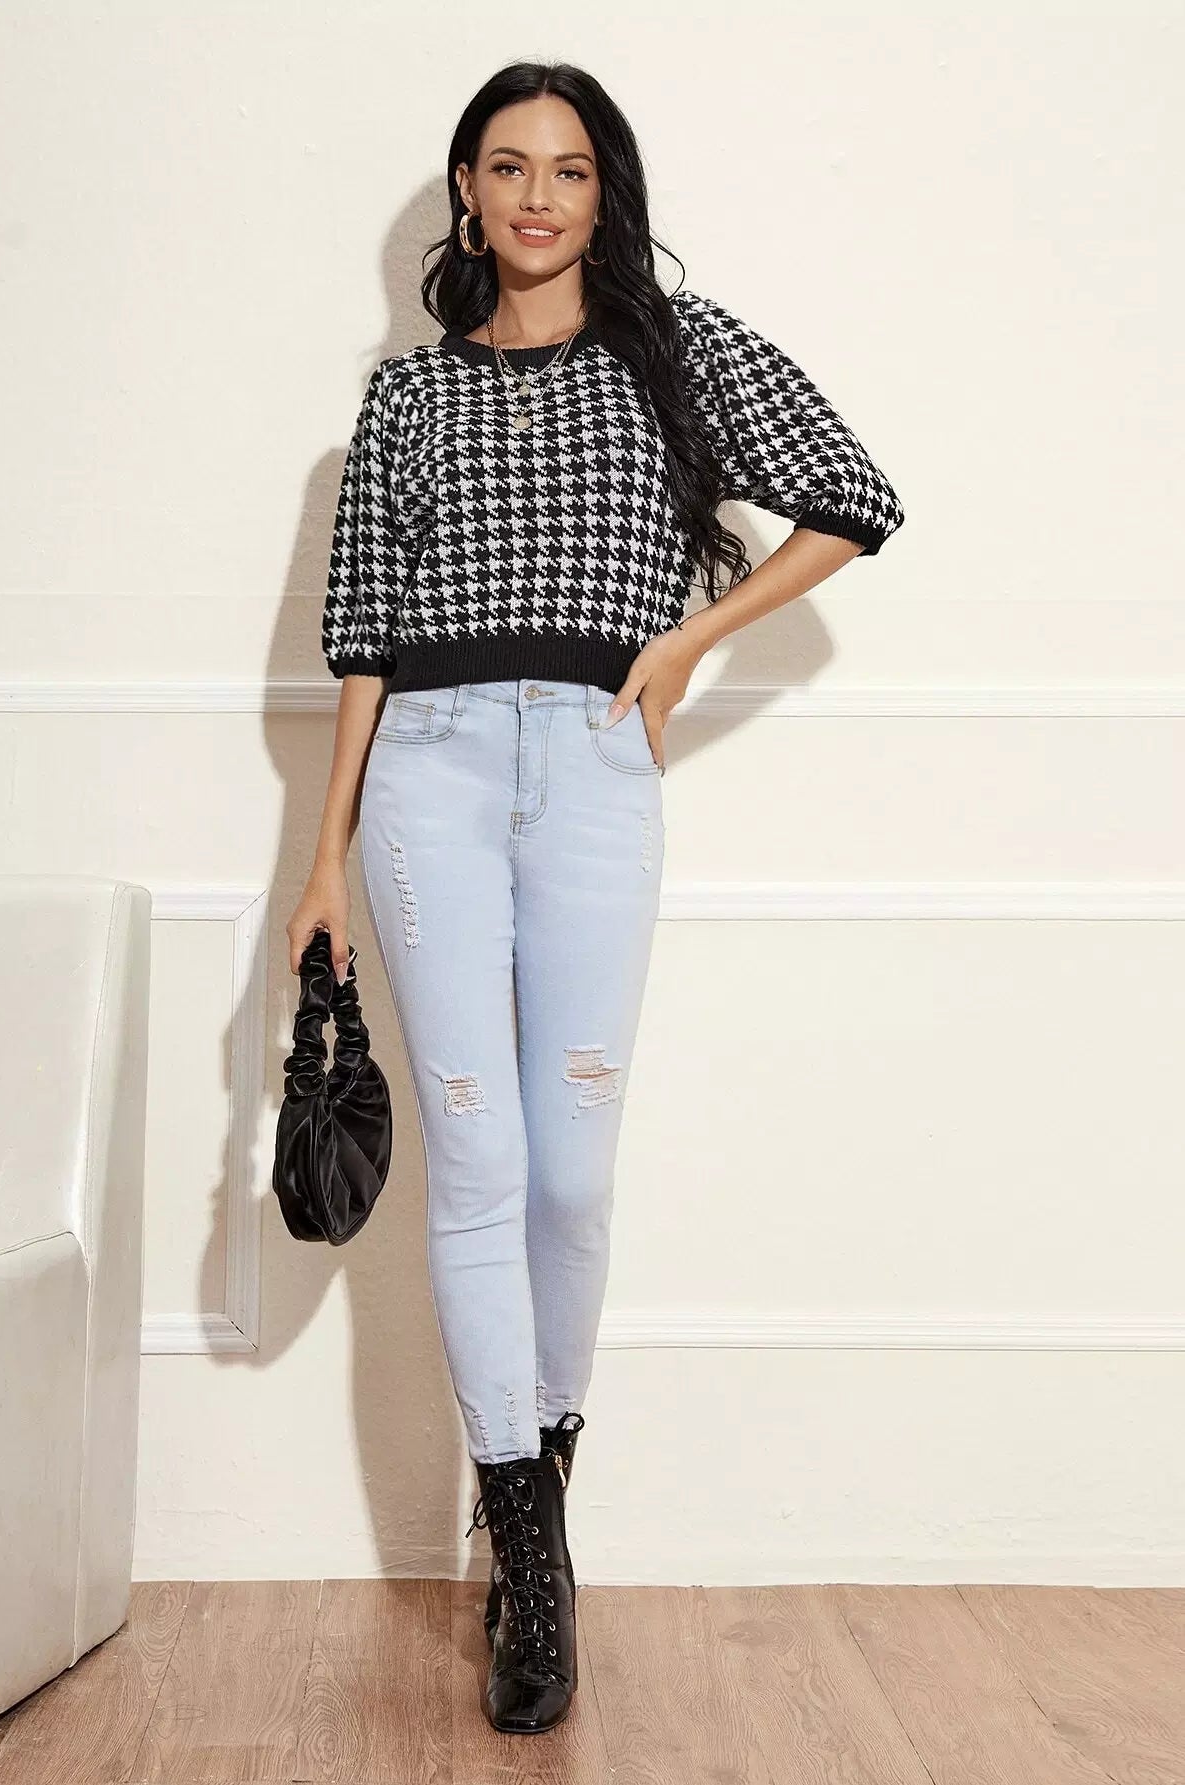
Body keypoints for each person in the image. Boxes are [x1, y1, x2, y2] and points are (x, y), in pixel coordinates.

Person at [285, 60, 904, 1737]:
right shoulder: (406, 399)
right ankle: (532, 1552)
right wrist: (324, 857)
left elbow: (856, 497)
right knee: (478, 1159)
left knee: (570, 1168)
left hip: (595, 763)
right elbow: (362, 639)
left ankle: (537, 1481)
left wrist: (689, 639)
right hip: (426, 778)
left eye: (569, 169)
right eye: (509, 166)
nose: (539, 196)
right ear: (467, 192)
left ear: (603, 193)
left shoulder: (678, 354)